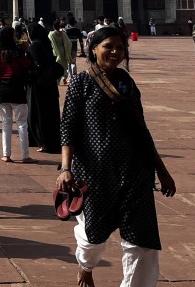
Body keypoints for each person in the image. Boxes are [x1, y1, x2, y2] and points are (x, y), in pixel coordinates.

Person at [57, 25, 176, 287]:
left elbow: (141, 130)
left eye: (120, 47)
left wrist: (162, 171)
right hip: (96, 174)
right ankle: (86, 266)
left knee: (141, 243)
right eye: (108, 46)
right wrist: (66, 169)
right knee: (93, 237)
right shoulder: (81, 82)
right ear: (94, 49)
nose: (114, 52)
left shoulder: (127, 84)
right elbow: (69, 127)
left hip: (135, 172)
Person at [0, 29, 34, 163]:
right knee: (22, 125)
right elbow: (28, 65)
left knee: (6, 124)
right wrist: (27, 52)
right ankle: (25, 155)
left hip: (3, 92)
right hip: (18, 91)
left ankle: (6, 155)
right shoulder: (18, 52)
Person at [27, 23, 62, 155]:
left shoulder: (35, 45)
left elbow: (38, 64)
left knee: (40, 114)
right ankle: (52, 141)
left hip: (40, 84)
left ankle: (44, 142)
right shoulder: (45, 42)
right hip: (50, 83)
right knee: (50, 112)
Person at [49, 19, 75, 85]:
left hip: (56, 51)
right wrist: (68, 50)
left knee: (57, 67)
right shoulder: (63, 33)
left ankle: (57, 81)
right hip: (64, 51)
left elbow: (51, 43)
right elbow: (69, 43)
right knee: (64, 67)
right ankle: (64, 77)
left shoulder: (51, 34)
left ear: (54, 26)